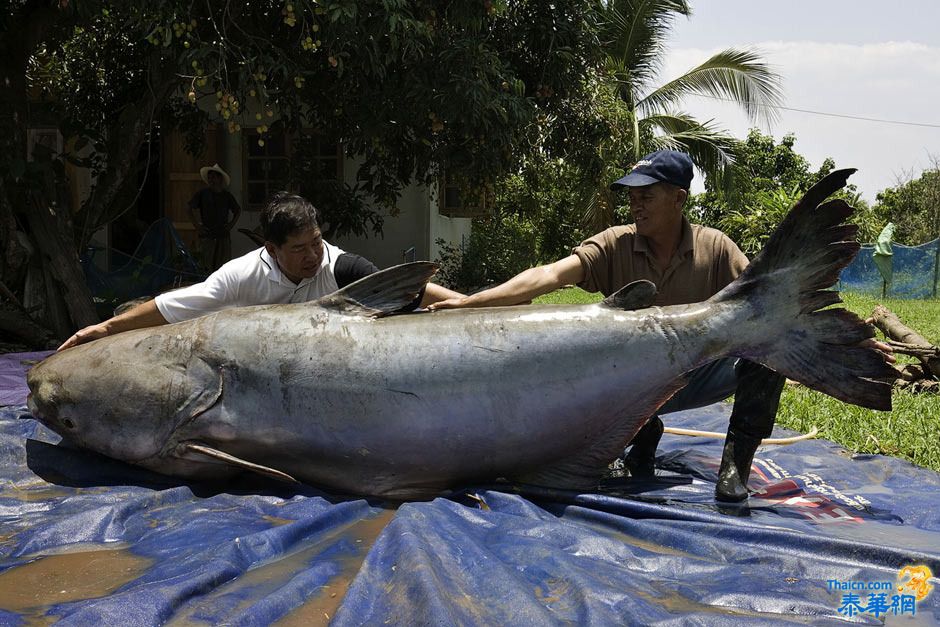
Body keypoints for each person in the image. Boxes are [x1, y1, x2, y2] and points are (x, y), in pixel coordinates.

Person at [429, 150, 794, 502]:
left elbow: (759, 302)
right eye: (632, 197)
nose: (636, 205)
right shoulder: (614, 244)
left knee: (765, 348)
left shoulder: (715, 248)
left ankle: (735, 465)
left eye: (646, 196)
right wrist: (469, 302)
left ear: (678, 199)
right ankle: (642, 430)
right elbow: (549, 275)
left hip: (693, 374)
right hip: (625, 385)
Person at [60, 192, 464, 351]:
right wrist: (107, 330)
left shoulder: (340, 266)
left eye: (317, 242)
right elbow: (171, 308)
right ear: (270, 249)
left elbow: (408, 289)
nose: (313, 255)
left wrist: (471, 305)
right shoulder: (238, 278)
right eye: (299, 249)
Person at [189, 163, 242, 271]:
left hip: (222, 235)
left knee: (223, 267)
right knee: (206, 266)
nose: (211, 180)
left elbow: (237, 210)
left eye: (213, 177)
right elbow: (189, 208)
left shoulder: (226, 196)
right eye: (209, 177)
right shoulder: (203, 194)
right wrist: (198, 227)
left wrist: (230, 225)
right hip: (208, 235)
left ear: (219, 179)